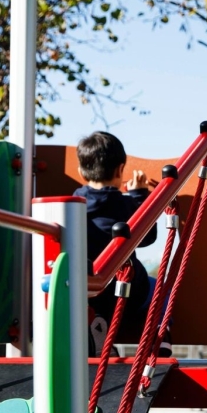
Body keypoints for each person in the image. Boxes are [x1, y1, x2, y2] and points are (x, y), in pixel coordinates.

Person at [72, 131, 158, 354]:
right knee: (159, 288)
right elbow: (148, 237)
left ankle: (96, 325)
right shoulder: (125, 205)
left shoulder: (72, 207)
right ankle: (161, 334)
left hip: (84, 291)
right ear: (120, 170)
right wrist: (139, 195)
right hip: (126, 291)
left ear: (81, 171)